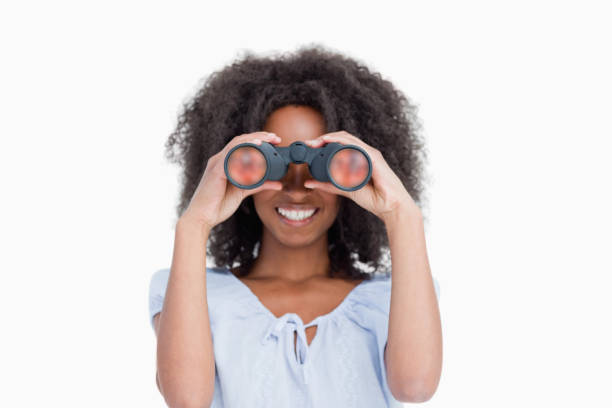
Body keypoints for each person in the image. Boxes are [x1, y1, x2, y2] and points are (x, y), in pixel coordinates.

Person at [148, 44, 442, 408]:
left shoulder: (390, 299)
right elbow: (187, 400)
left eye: (322, 167)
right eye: (272, 165)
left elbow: (415, 388)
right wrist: (194, 224)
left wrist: (402, 213)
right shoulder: (195, 294)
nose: (297, 190)